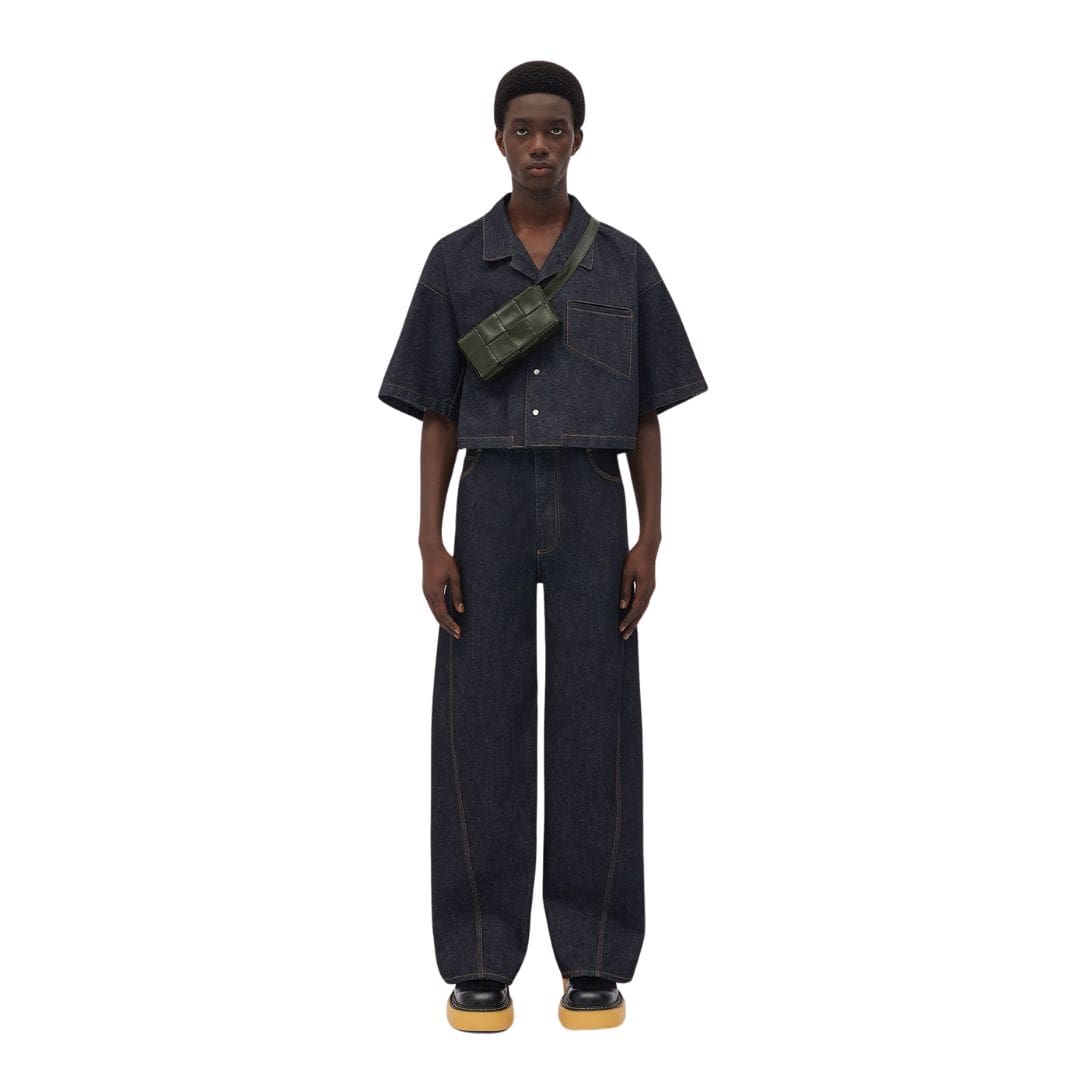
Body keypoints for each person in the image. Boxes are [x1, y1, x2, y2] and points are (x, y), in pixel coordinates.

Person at [377, 60, 709, 1032]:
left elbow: (647, 412)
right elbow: (437, 412)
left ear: (577, 140)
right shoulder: (453, 262)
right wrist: (429, 538)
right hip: (486, 502)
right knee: (477, 720)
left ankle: (594, 959)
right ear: (497, 139)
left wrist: (651, 535)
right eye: (521, 129)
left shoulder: (624, 264)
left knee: (596, 721)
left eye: (553, 129)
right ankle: (479, 961)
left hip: (592, 499)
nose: (537, 146)